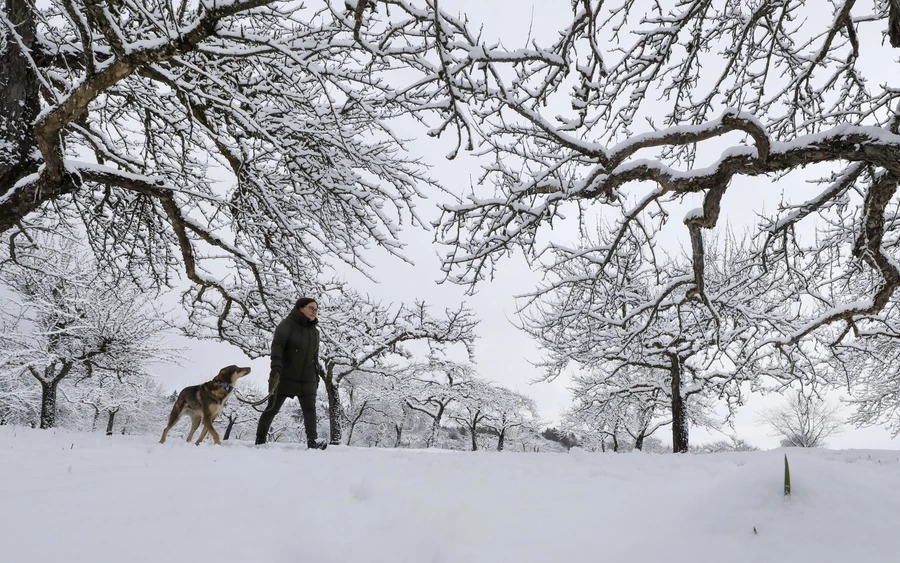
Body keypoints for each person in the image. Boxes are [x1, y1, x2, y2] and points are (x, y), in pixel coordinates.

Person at [255, 297, 327, 449]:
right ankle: (260, 440)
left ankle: (312, 440)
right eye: (311, 308)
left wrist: (316, 374)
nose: (314, 311)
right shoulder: (287, 325)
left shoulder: (315, 332)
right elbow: (278, 346)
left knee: (309, 408)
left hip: (307, 378)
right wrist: (275, 367)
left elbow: (315, 356)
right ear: (301, 308)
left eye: (316, 309)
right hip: (285, 374)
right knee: (272, 408)